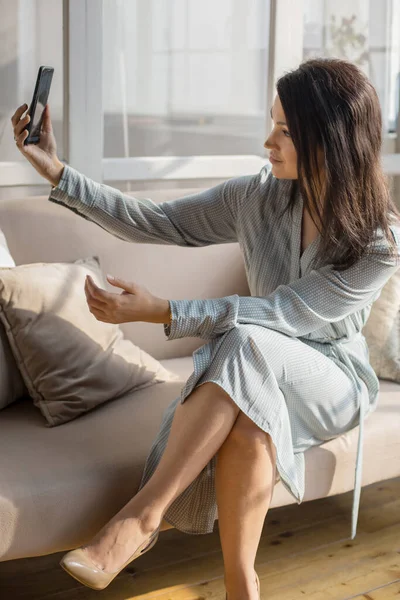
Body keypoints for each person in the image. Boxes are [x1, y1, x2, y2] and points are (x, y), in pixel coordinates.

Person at [11, 57, 400, 597]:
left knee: (246, 340)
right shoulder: (257, 198)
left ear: (330, 140)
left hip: (331, 380)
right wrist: (56, 170)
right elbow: (159, 222)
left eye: (286, 131)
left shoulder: (378, 242)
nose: (269, 141)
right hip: (258, 364)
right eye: (272, 122)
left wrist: (166, 312)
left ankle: (142, 519)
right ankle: (243, 586)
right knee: (247, 415)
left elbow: (284, 314)